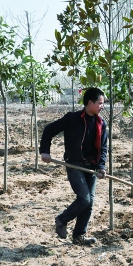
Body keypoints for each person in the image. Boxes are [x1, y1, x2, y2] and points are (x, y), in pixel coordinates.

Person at [39, 87, 108, 245]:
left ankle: (78, 236)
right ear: (90, 103)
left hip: (91, 167)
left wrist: (101, 167)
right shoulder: (72, 118)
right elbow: (49, 130)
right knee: (84, 199)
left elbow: (103, 148)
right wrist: (45, 151)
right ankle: (62, 220)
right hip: (74, 164)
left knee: (89, 203)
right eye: (100, 103)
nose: (102, 106)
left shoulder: (101, 123)